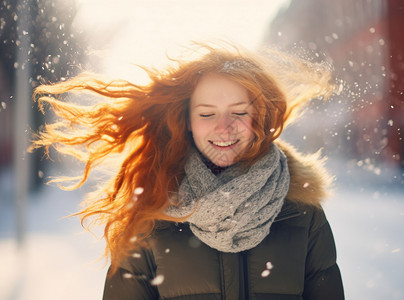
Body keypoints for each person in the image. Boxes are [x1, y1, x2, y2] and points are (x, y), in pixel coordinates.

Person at [31, 42, 345, 299]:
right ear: (187, 121)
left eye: (238, 112)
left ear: (258, 118)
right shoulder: (151, 213)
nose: (224, 128)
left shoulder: (302, 211)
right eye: (207, 114)